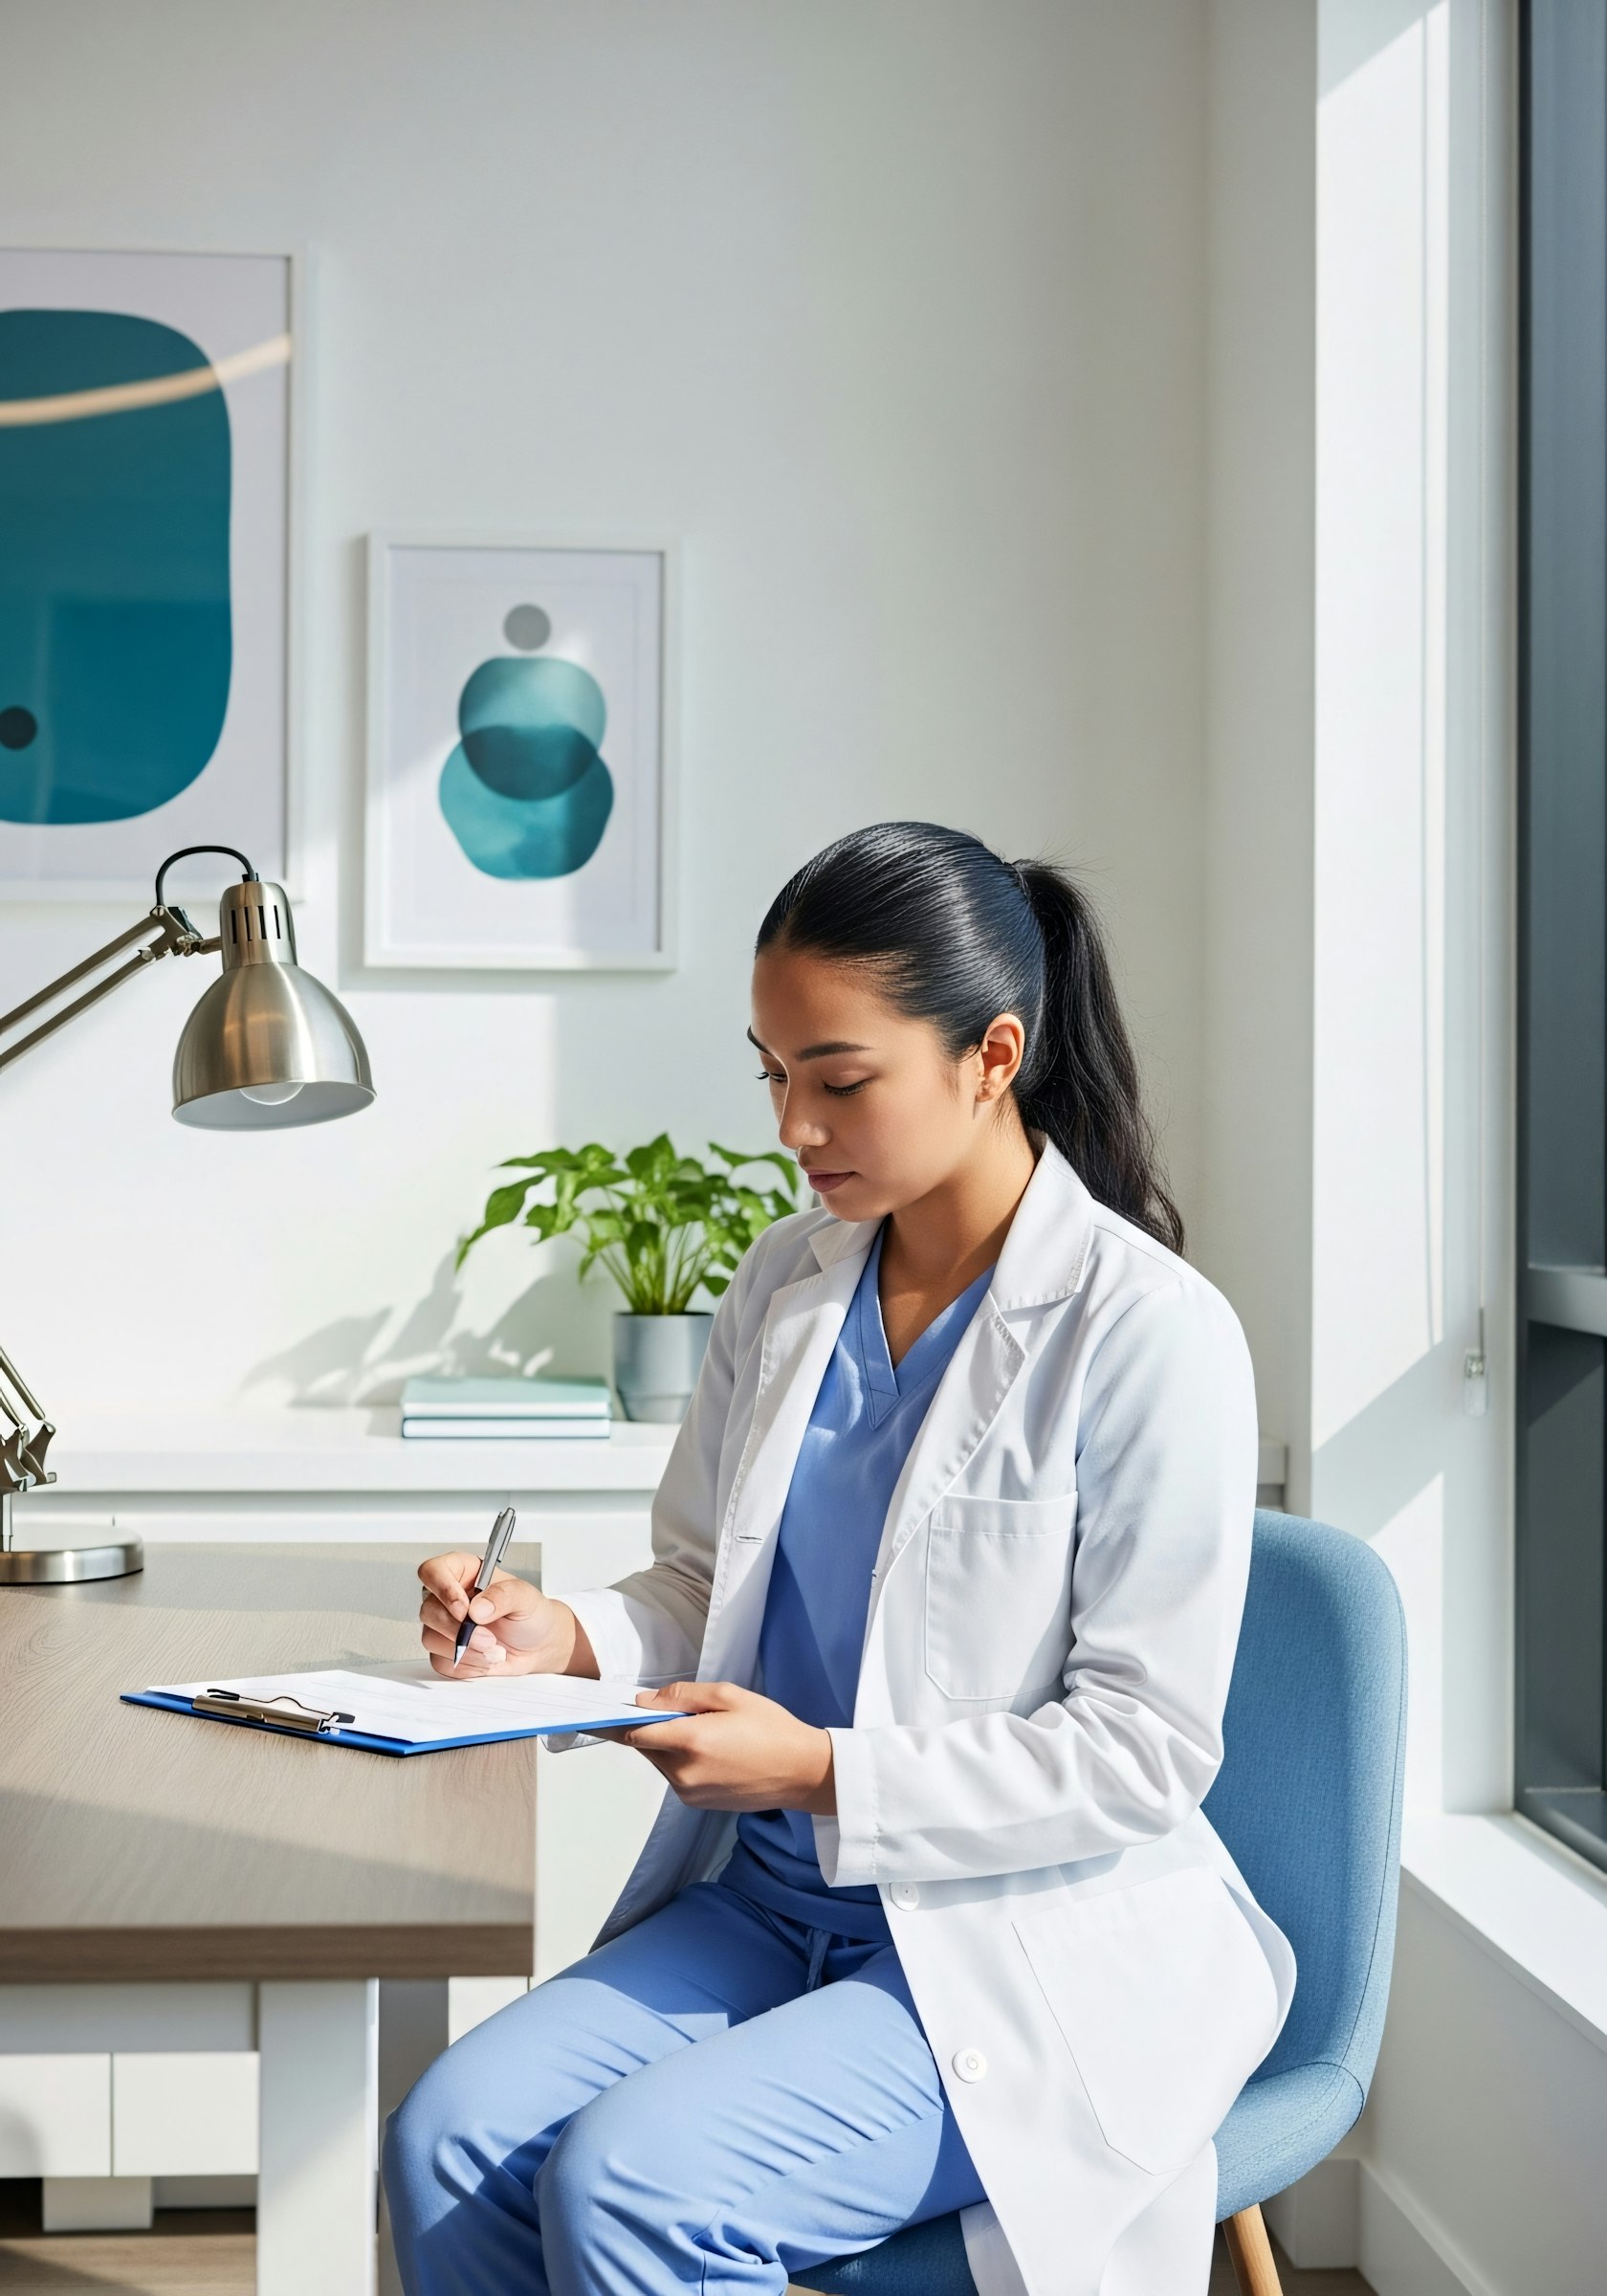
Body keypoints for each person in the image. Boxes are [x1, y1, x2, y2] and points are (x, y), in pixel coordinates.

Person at [384, 821, 1295, 2296]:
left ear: (992, 1057)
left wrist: (820, 1772)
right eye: (774, 1073)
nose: (792, 1128)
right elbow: (701, 1588)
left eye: (840, 1080)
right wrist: (560, 1638)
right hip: (764, 1903)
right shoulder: (781, 1281)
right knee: (448, 2137)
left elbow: (1144, 1751)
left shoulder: (1148, 1331)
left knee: (638, 2189)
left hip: (1009, 1938)